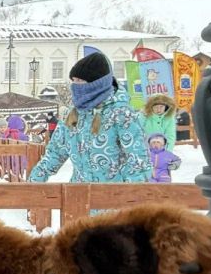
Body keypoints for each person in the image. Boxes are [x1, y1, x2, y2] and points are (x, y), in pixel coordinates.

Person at [30, 52, 150, 183]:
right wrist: (32, 185)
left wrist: (126, 196)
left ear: (96, 83)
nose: (75, 86)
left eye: (80, 81)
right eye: (73, 81)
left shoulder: (121, 113)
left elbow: (139, 161)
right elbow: (55, 153)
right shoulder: (73, 114)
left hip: (112, 195)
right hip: (80, 195)